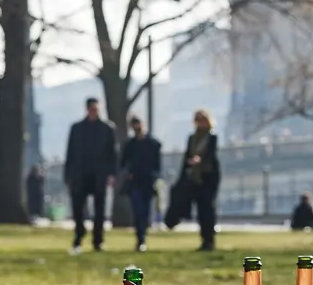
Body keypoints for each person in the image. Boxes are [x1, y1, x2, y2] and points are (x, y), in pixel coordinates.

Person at [64, 98, 117, 254]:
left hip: (99, 175)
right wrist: (68, 174)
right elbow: (70, 152)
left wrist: (112, 174)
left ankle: (98, 240)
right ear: (87, 109)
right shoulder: (77, 129)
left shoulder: (107, 129)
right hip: (80, 174)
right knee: (78, 207)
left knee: (99, 209)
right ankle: (79, 233)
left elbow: (113, 153)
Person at [167, 109, 223, 251]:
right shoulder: (192, 138)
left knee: (207, 207)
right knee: (199, 209)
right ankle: (203, 239)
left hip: (208, 177)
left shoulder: (212, 137)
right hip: (195, 178)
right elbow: (187, 157)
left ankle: (209, 239)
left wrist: (200, 160)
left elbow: (211, 154)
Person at [121, 115, 163, 252]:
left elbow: (157, 165)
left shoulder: (153, 144)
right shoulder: (130, 145)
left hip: (148, 182)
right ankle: (140, 238)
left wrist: (155, 178)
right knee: (137, 210)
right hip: (134, 182)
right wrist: (127, 173)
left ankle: (143, 235)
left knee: (145, 211)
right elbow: (123, 163)